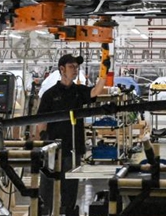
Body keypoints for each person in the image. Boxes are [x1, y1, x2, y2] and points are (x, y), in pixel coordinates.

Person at [35, 54, 107, 216]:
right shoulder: (50, 94)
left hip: (73, 146)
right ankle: (45, 211)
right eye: (71, 67)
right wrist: (42, 142)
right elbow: (41, 121)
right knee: (47, 185)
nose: (75, 70)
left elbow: (96, 91)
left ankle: (68, 212)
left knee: (70, 186)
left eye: (76, 67)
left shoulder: (78, 91)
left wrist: (104, 71)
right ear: (62, 69)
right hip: (52, 148)